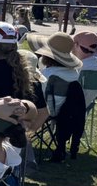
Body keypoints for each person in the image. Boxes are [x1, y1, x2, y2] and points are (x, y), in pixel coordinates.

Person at [30, 32, 84, 161]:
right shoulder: (74, 73)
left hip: (45, 112)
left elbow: (38, 97)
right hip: (65, 113)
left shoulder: (48, 75)